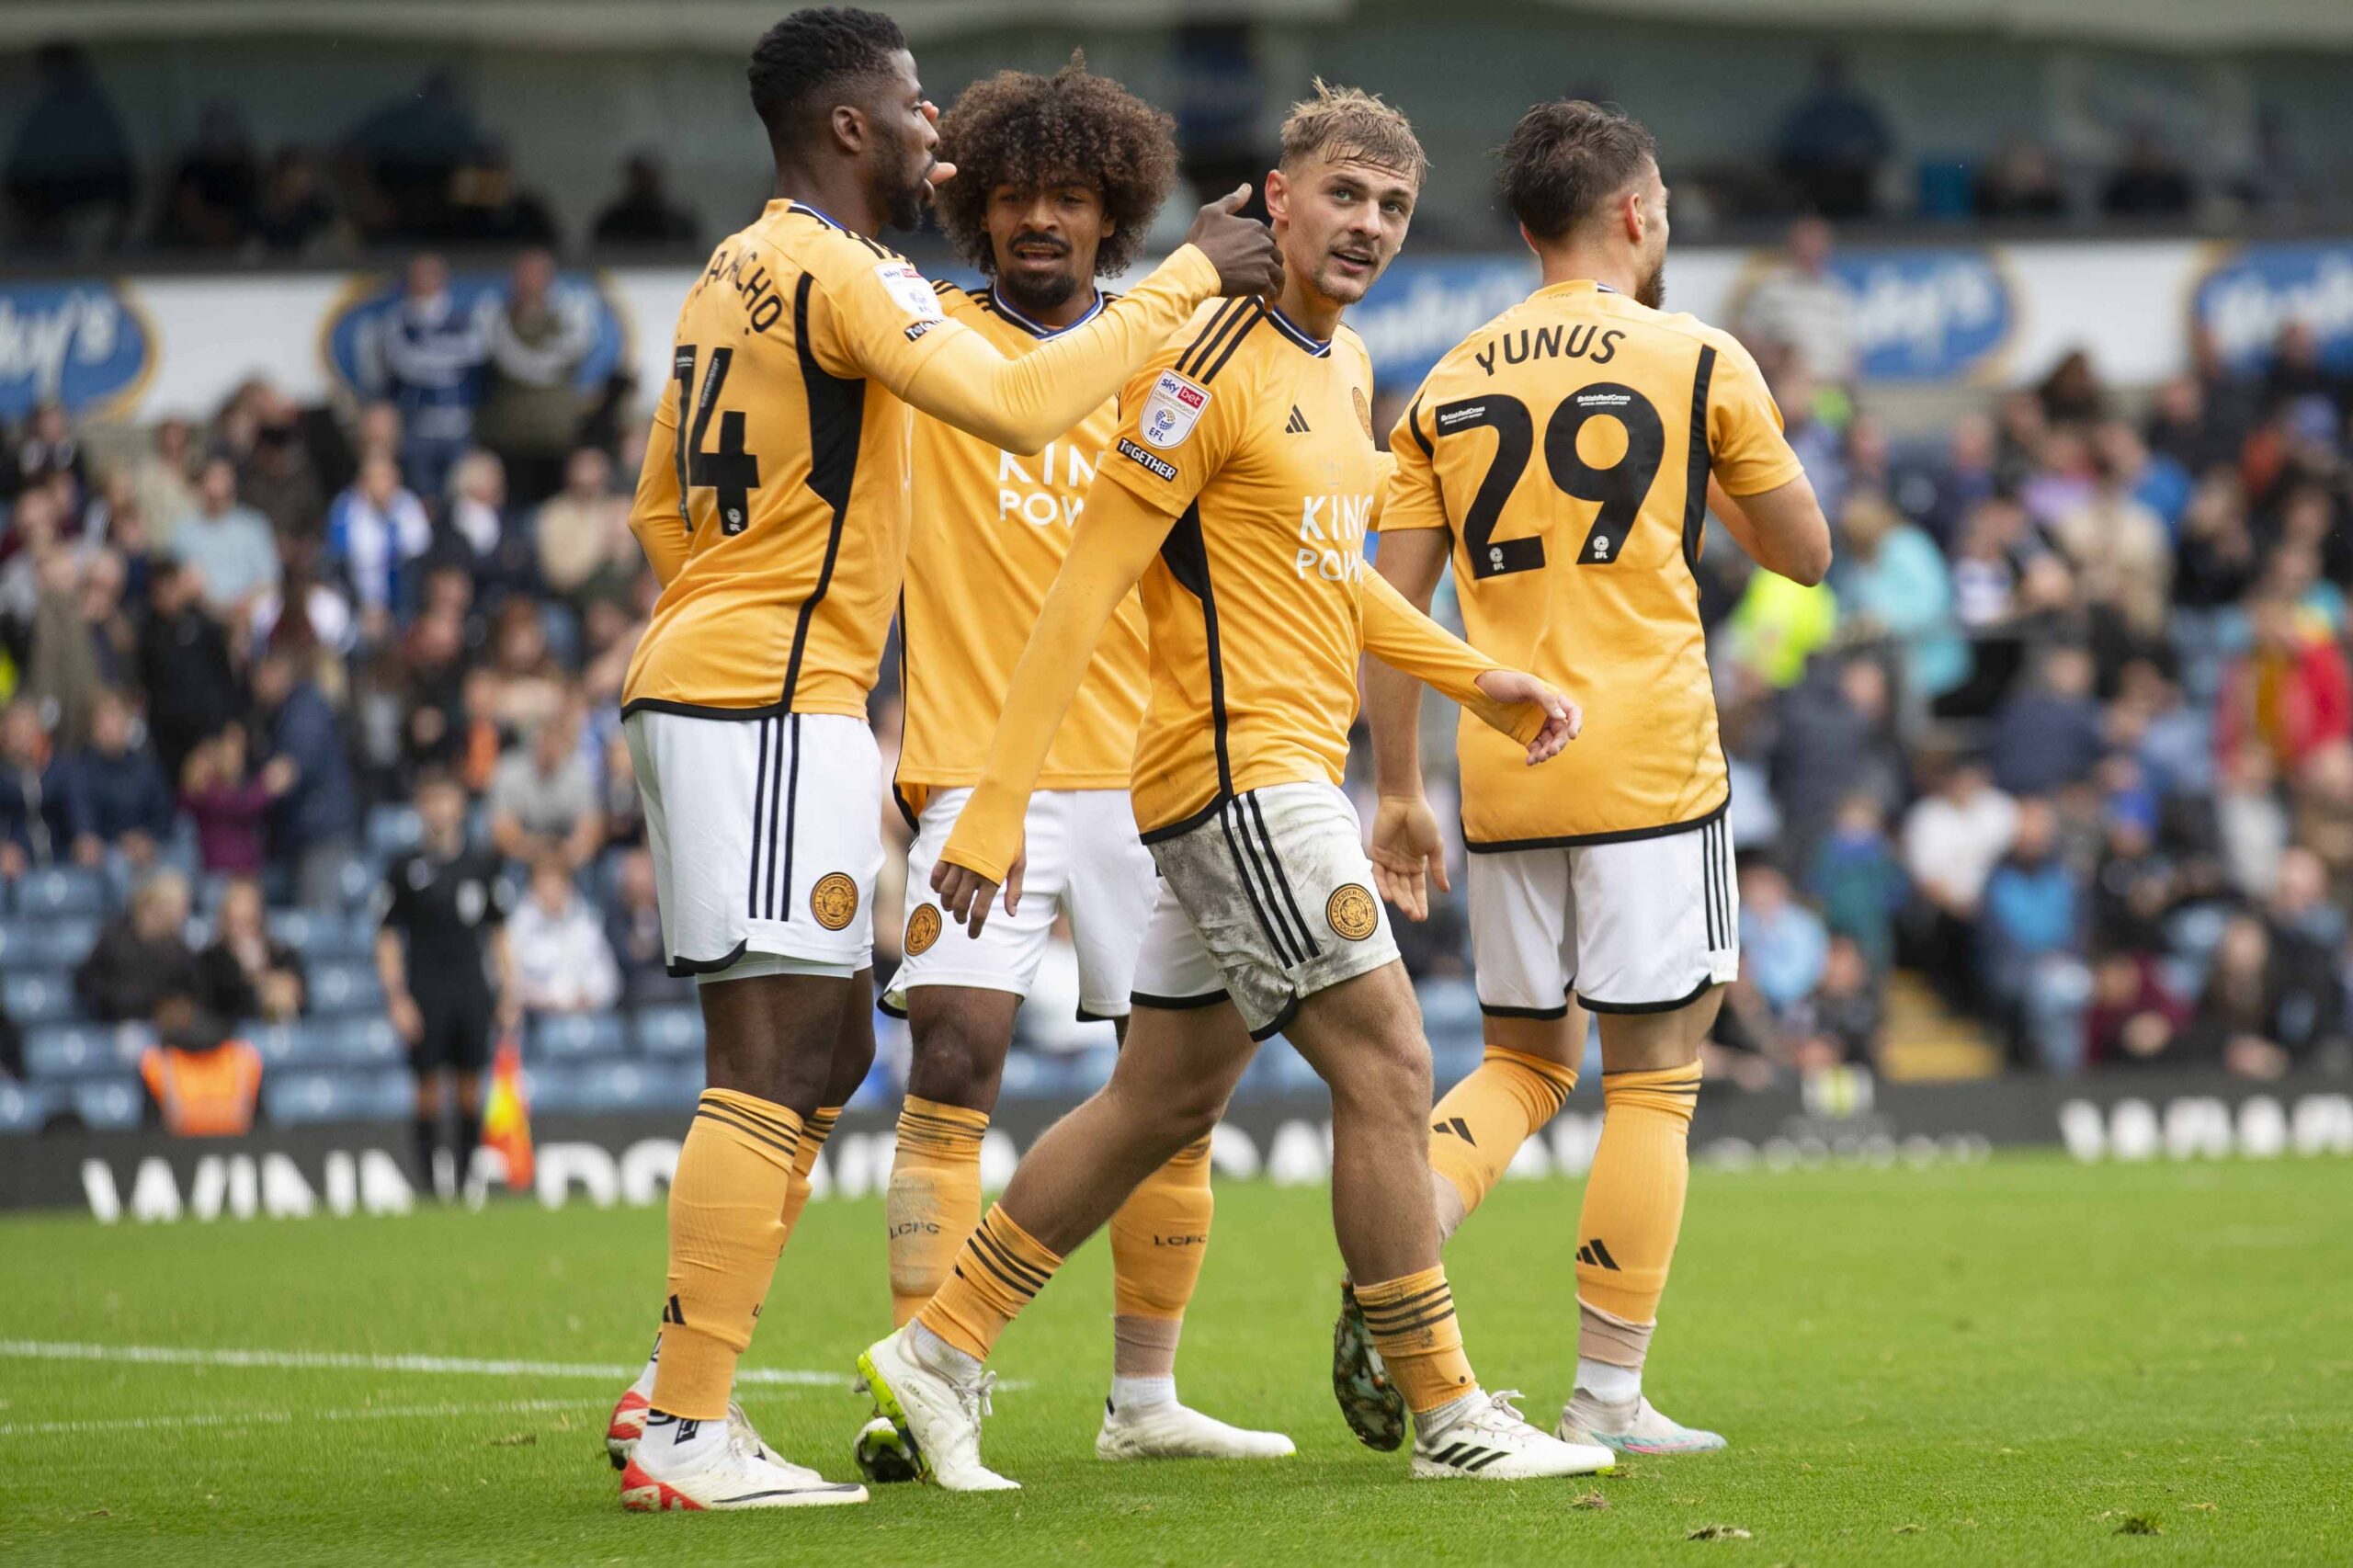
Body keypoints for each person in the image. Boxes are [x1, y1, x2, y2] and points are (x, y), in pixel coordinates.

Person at [867, 82, 1594, 1493]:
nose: (1368, 225)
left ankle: (941, 1346)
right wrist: (1002, 799)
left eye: (1390, 204)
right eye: (1343, 195)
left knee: (1156, 1102)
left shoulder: (1350, 367)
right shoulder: (1203, 359)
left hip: (1268, 775)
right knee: (1390, 1064)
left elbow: (1330, 579)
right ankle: (1445, 1405)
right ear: (1277, 198)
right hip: (1240, 780)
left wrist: (1474, 677)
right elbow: (1088, 587)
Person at [601, 5, 1279, 1515]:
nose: (940, 135)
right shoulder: (865, 283)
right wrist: (1189, 272)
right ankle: (699, 1417)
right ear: (851, 125)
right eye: (917, 108)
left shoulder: (735, 270)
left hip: (804, 696)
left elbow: (661, 505)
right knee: (794, 1059)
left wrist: (742, 603)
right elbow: (1028, 401)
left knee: (837, 1051)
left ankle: (683, 1394)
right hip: (805, 711)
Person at [1360, 99, 1829, 1460]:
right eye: (1666, 200)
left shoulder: (1442, 381)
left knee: (1518, 1059)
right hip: (1648, 764)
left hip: (1502, 769)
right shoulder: (1696, 355)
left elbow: (1390, 610)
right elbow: (1802, 552)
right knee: (1655, 1080)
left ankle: (1392, 1256)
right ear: (1633, 212)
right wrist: (1714, 484)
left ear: (1525, 228)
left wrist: (1401, 788)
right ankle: (1607, 1393)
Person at [863, 55, 1288, 1479]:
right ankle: (931, 1384)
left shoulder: (1180, 351)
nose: (1042, 218)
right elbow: (1028, 390)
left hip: (1142, 775)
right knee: (955, 1054)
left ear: (1116, 215)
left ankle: (1144, 1399)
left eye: (1072, 196)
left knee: (1167, 1090)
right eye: (1014, 195)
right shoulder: (921, 327)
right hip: (977, 772)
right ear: (974, 210)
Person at [375, 770, 518, 1196]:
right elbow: (386, 936)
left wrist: (510, 990)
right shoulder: (404, 868)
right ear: (421, 808)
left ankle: (464, 1180)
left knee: (472, 1086)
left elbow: (499, 933)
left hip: (471, 985)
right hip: (424, 986)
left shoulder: (481, 864)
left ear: (459, 806)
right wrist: (397, 997)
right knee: (428, 1088)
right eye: (431, 800)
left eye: (446, 799)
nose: (439, 810)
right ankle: (428, 1186)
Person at [473, 249, 593, 507]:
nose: (530, 281)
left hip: (556, 437)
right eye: (524, 274)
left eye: (538, 274)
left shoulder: (566, 320)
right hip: (509, 438)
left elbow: (572, 354)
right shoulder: (497, 319)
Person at [252, 650, 359, 908]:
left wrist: (235, 800)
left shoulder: (304, 711)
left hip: (322, 832)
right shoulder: (281, 711)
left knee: (318, 919)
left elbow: (286, 772)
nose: (256, 682)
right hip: (301, 833)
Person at [66, 688, 176, 875]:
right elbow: (83, 823)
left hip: (150, 847)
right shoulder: (79, 770)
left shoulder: (147, 766)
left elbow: (164, 816)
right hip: (107, 854)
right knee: (116, 865)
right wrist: (120, 841)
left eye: (116, 716)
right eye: (103, 719)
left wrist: (147, 841)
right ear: (91, 728)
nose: (110, 726)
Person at [486, 702, 604, 872]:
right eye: (544, 738)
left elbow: (591, 828)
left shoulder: (580, 770)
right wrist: (537, 853)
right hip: (524, 851)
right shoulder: (510, 768)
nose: (549, 747)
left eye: (555, 739)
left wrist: (565, 855)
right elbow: (502, 830)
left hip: (566, 852)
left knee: (587, 866)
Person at [506, 855, 621, 1015]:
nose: (550, 891)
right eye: (543, 883)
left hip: (587, 1015)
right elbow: (511, 983)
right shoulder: (518, 926)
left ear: (568, 886)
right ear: (532, 887)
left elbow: (609, 980)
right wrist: (553, 1000)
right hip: (538, 1018)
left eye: (556, 883)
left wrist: (590, 996)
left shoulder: (586, 922)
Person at [171, 456, 281, 619]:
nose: (215, 484)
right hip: (204, 613)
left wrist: (246, 603)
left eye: (221, 477)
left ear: (233, 483)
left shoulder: (254, 525)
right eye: (211, 477)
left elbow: (270, 579)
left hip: (251, 612)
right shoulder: (184, 532)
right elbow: (180, 582)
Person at [196, 875, 307, 1025]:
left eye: (248, 923)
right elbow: (215, 1009)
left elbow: (304, 1003)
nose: (241, 932)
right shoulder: (209, 961)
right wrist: (257, 981)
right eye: (234, 923)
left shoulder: (284, 955)